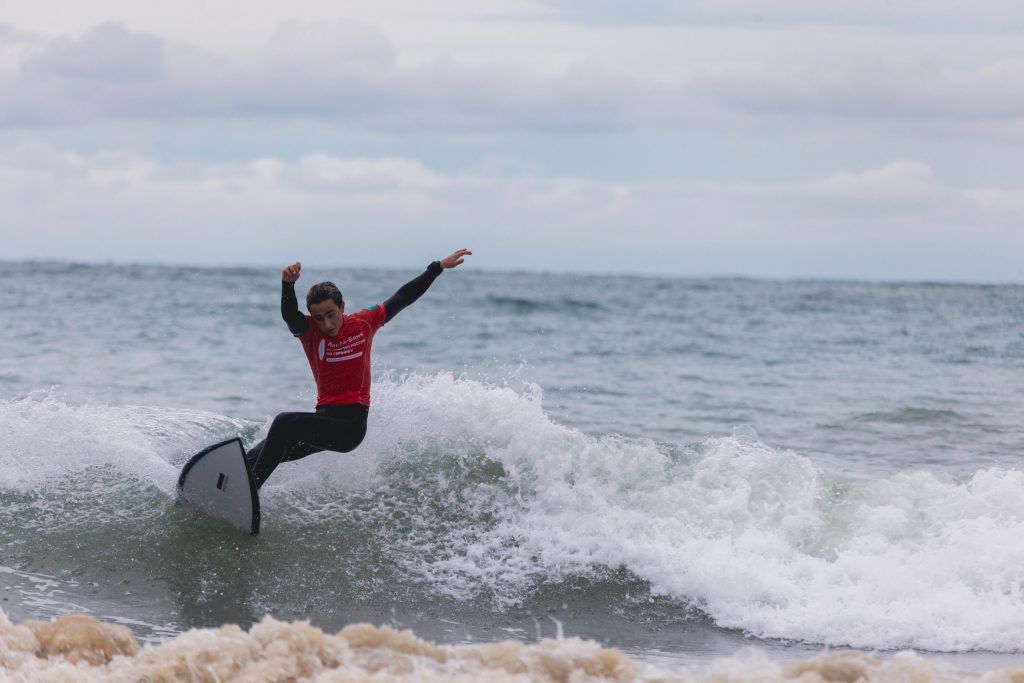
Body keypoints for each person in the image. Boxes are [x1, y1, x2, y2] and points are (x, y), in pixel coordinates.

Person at [245, 249, 472, 487]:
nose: (327, 324)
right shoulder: (309, 332)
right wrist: (287, 285)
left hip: (350, 427)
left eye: (331, 314)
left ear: (342, 307)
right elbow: (290, 315)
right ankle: (231, 484)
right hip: (324, 421)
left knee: (284, 422)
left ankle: (251, 490)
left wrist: (436, 267)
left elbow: (403, 297)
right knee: (260, 453)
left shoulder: (364, 322)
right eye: (319, 318)